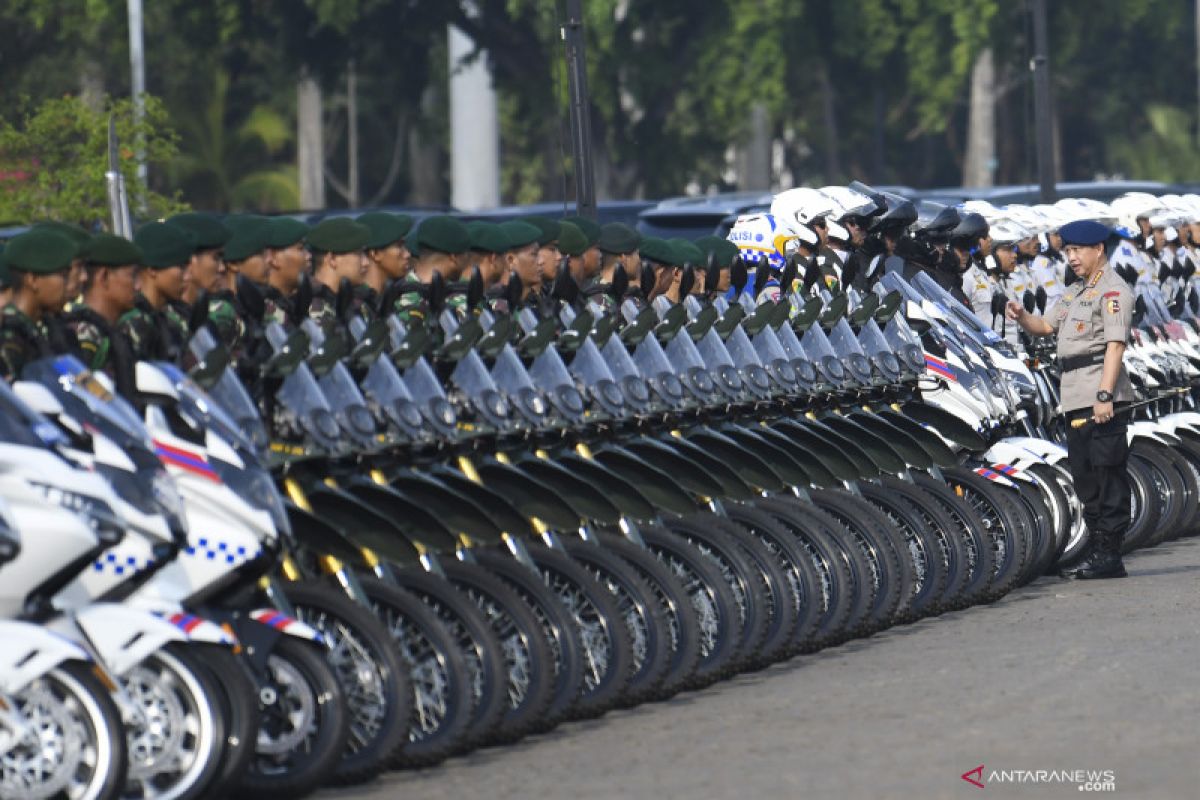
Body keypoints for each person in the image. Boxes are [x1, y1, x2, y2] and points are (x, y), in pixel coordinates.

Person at [1006, 219, 1133, 580]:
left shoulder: (1112, 291)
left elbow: (1114, 347)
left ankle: (1110, 555)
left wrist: (1105, 395)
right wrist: (1022, 316)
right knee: (1085, 478)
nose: (1072, 258)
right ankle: (1097, 550)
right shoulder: (1075, 292)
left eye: (1077, 251)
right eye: (1068, 251)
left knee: (1108, 476)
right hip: (1075, 395)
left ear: (1098, 250)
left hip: (1100, 393)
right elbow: (1046, 327)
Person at [64, 233, 144, 396]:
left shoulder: (112, 330)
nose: (138, 286)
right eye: (132, 276)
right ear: (104, 276)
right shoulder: (86, 333)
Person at [0, 229, 77, 381]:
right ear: (33, 280)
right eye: (63, 276)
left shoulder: (43, 329)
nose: (68, 284)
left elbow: (61, 374)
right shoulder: (9, 334)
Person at [120, 222, 195, 361]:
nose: (188, 276)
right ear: (153, 270)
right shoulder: (136, 322)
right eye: (181, 267)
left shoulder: (167, 318)